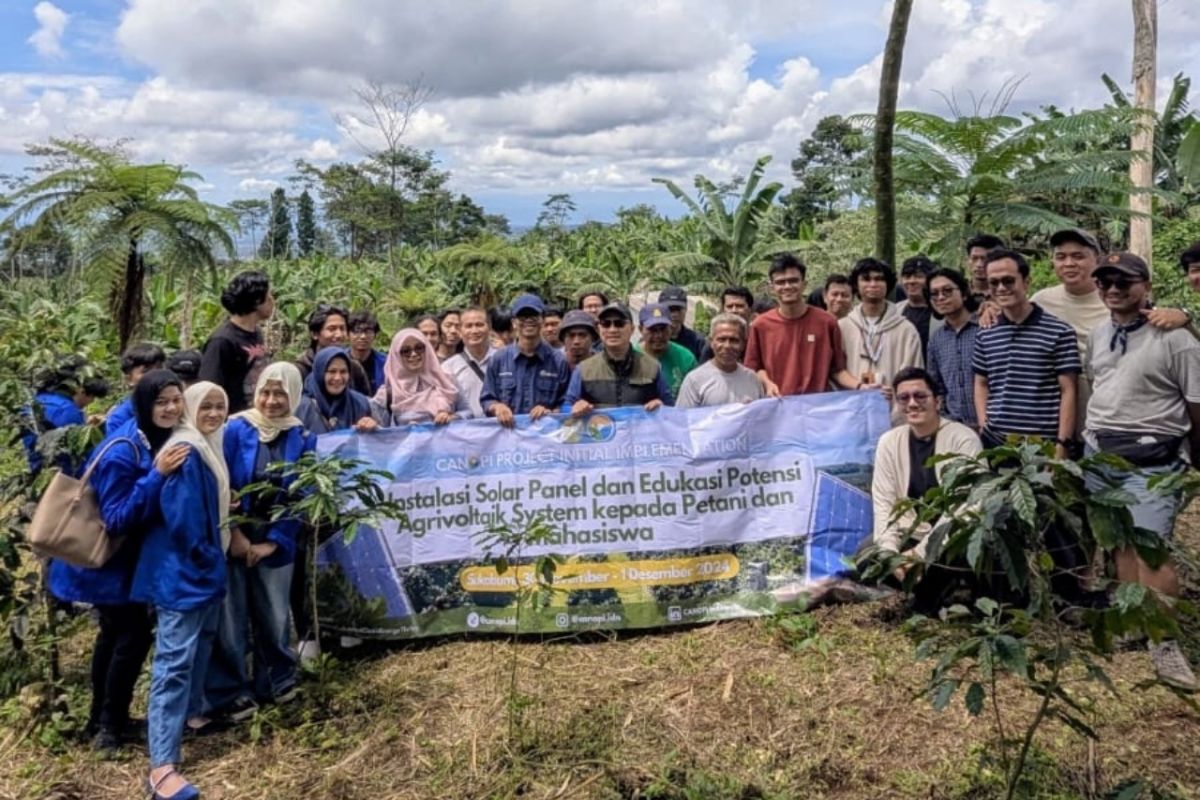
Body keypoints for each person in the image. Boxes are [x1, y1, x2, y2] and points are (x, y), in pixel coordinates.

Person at [49, 370, 189, 754]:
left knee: (116, 636)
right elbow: (116, 518)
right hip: (103, 565)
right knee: (130, 636)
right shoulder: (124, 449)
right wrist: (157, 476)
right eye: (161, 402)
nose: (171, 408)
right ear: (144, 404)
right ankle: (108, 725)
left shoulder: (150, 438)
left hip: (120, 564)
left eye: (176, 399)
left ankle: (105, 719)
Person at [1083, 252, 1200, 691]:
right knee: (1120, 545)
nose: (1113, 289)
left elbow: (1196, 402)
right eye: (1106, 281)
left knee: (1153, 551)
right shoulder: (1099, 333)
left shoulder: (1175, 338)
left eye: (1124, 281)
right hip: (1102, 455)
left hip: (1154, 460)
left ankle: (1164, 642)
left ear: (1145, 286)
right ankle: (1134, 624)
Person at [131, 381, 230, 800]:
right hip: (185, 572)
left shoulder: (204, 445)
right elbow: (184, 519)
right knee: (174, 663)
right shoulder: (186, 452)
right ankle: (162, 767)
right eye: (202, 405)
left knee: (199, 645)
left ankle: (190, 716)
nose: (212, 413)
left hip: (200, 570)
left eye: (219, 405)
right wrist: (207, 555)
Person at [205, 364, 316, 722]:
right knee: (231, 614)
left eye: (280, 394)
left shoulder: (301, 437)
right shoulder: (236, 428)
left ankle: (277, 679)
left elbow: (303, 495)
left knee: (274, 611)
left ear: (294, 396)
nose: (271, 402)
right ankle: (232, 691)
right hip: (233, 534)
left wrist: (274, 543)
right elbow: (222, 483)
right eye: (266, 393)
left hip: (276, 536)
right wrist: (235, 534)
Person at [871, 367, 983, 613]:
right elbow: (883, 503)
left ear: (938, 401)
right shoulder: (889, 442)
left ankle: (946, 591)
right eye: (904, 398)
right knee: (868, 554)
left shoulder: (963, 439)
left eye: (920, 396)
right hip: (910, 532)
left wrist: (921, 554)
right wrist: (891, 554)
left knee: (950, 558)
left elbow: (967, 506)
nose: (912, 404)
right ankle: (923, 587)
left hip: (953, 536)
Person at [972, 248, 1080, 456]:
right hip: (997, 444)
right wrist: (984, 425)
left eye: (1008, 281)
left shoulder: (1059, 332)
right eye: (994, 282)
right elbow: (981, 383)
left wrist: (1062, 445)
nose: (1001, 288)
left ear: (1026, 282)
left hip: (1043, 444)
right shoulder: (985, 332)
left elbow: (1069, 391)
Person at [745, 253, 862, 396]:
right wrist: (767, 383)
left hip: (818, 408)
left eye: (793, 281)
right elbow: (754, 368)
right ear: (772, 288)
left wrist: (861, 386)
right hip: (778, 406)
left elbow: (837, 370)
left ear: (804, 284)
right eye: (781, 282)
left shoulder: (827, 322)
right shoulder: (761, 325)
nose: (787, 286)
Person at [839, 257, 923, 410]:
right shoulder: (843, 327)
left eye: (879, 279)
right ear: (856, 285)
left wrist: (897, 398)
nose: (873, 284)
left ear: (888, 285)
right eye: (866, 279)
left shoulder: (905, 329)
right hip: (852, 410)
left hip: (894, 412)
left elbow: (914, 376)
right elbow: (835, 370)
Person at [481, 293, 572, 428]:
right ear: (514, 323)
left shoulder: (558, 361)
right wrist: (497, 407)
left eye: (534, 316)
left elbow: (566, 402)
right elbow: (487, 398)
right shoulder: (498, 360)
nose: (529, 321)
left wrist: (551, 412)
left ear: (542, 320)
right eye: (523, 317)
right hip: (507, 439)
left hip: (545, 439)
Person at [565, 302, 672, 413]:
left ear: (632, 329)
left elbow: (671, 409)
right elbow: (566, 408)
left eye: (619, 323)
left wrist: (661, 406)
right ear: (598, 330)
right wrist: (575, 408)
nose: (612, 330)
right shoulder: (583, 370)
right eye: (606, 324)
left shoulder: (652, 367)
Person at [21, 356, 110, 476]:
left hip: (38, 472)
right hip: (63, 478)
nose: (90, 401)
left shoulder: (34, 402)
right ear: (80, 389)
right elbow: (81, 456)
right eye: (91, 396)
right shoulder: (68, 411)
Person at [199, 270, 273, 414]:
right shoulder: (222, 341)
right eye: (269, 296)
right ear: (257, 301)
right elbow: (209, 389)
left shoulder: (256, 332)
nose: (272, 301)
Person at [925, 268, 980, 430]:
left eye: (947, 291)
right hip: (955, 427)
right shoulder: (936, 339)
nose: (940, 297)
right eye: (934, 293)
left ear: (963, 293)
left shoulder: (985, 328)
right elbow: (936, 386)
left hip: (992, 424)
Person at [372, 330, 460, 426]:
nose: (413, 354)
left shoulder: (446, 381)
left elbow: (468, 413)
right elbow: (379, 432)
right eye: (405, 351)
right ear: (396, 355)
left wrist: (452, 418)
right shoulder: (387, 394)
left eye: (419, 348)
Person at [676, 314, 764, 408]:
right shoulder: (695, 380)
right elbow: (683, 419)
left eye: (734, 340)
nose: (727, 346)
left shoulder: (752, 380)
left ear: (743, 344)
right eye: (721, 339)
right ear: (711, 342)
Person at [297, 348, 379, 434]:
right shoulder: (303, 408)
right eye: (332, 371)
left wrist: (371, 426)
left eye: (343, 372)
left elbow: (372, 443)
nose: (338, 378)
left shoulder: (360, 403)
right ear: (320, 372)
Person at [294, 304, 371, 394]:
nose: (339, 335)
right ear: (315, 334)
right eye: (332, 329)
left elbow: (365, 403)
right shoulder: (300, 370)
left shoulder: (354, 367)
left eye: (342, 329)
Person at [441, 307, 495, 419]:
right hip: (465, 432)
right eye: (468, 326)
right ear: (460, 331)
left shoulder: (504, 359)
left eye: (479, 325)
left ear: (489, 328)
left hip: (501, 431)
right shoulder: (448, 368)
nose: (474, 331)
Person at [106, 343, 167, 435]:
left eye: (159, 369)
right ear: (129, 379)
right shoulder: (120, 418)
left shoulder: (175, 406)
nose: (155, 375)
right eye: (146, 371)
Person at [638, 303, 697, 398]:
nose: (658, 336)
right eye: (652, 330)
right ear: (641, 330)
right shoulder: (630, 357)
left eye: (663, 329)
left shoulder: (686, 358)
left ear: (671, 329)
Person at [895, 255, 941, 357]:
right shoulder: (895, 311)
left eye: (919, 276)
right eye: (907, 277)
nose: (911, 281)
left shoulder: (942, 311)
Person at [658, 286, 707, 361]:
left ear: (686, 310)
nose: (674, 314)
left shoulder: (697, 342)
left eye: (678, 309)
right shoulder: (652, 341)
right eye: (670, 309)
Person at [347, 310, 387, 395]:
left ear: (375, 335)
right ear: (348, 334)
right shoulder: (339, 360)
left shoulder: (385, 363)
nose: (363, 336)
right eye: (357, 331)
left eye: (368, 331)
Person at [965, 234, 1005, 303]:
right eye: (974, 258)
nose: (979, 264)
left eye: (985, 259)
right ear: (968, 260)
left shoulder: (1007, 294)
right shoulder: (959, 293)